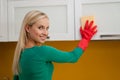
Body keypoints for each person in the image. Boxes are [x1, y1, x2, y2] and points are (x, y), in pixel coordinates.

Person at [12, 10, 97, 80]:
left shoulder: (20, 53)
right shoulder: (42, 51)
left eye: (47, 28)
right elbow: (73, 57)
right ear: (28, 28)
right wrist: (85, 39)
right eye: (40, 27)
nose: (45, 33)